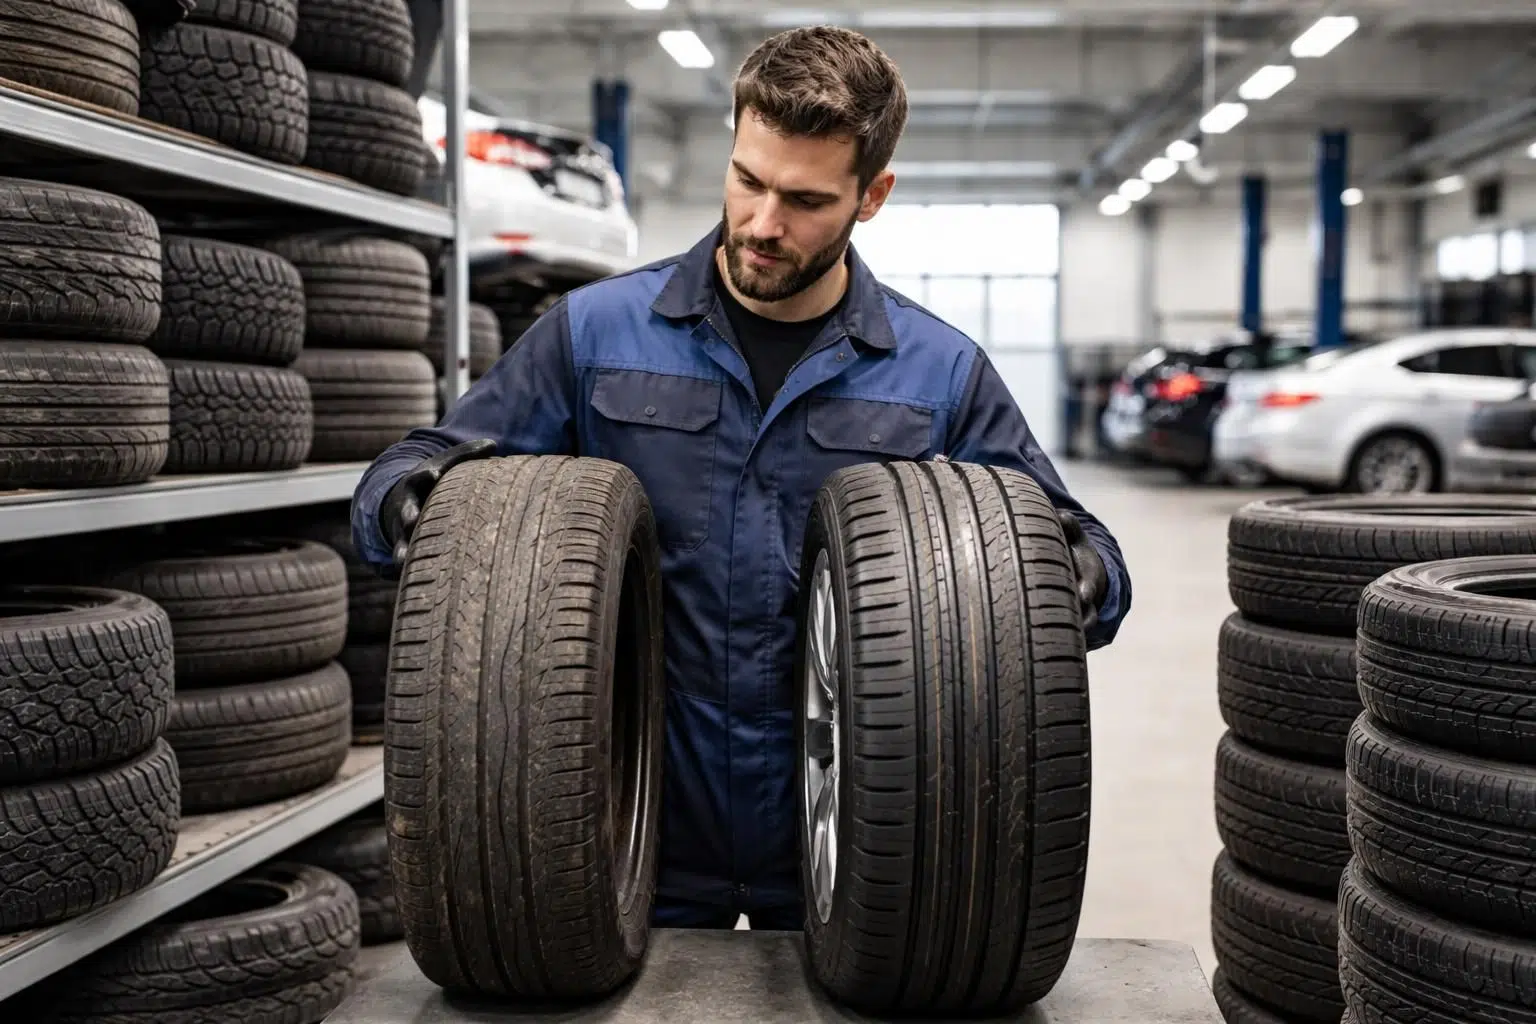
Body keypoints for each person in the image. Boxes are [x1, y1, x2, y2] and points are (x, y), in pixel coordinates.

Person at [351, 25, 1131, 930]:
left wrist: (1056, 577)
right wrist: (421, 512)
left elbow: (1094, 562)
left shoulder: (939, 374)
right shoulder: (596, 334)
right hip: (628, 839)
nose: (763, 224)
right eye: (747, 181)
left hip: (854, 859)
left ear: (871, 196)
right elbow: (417, 466)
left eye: (804, 200)